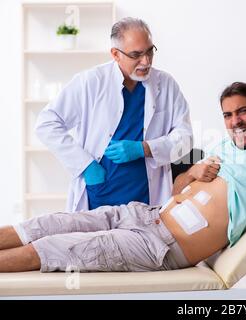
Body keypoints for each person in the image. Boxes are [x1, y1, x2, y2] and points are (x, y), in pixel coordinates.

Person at [0, 81, 246, 272]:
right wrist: (193, 174)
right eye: (228, 115)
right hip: (146, 214)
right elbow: (177, 189)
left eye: (243, 112)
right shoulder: (223, 145)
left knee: (51, 249)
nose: (235, 121)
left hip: (162, 246)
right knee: (46, 224)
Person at [35, 17, 193, 212]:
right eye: (136, 54)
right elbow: (47, 123)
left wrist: (145, 148)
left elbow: (185, 139)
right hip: (100, 195)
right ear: (116, 54)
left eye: (150, 51)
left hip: (146, 200)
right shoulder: (90, 82)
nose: (146, 61)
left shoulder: (166, 84)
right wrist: (86, 166)